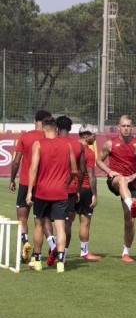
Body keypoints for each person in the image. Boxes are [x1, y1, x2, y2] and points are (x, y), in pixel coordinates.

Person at [26, 114, 78, 272]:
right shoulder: (67, 145)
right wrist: (67, 184)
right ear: (56, 129)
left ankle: (37, 260)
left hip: (42, 191)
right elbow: (75, 170)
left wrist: (29, 191)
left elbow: (33, 169)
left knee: (38, 225)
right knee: (60, 226)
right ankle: (61, 262)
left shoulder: (38, 144)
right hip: (60, 191)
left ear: (43, 129)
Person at [96, 114, 136, 262]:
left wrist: (134, 176)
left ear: (132, 128)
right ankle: (131, 204)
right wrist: (109, 171)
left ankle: (126, 252)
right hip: (115, 180)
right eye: (123, 126)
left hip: (131, 182)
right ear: (119, 127)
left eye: (128, 126)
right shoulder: (110, 144)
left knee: (130, 220)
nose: (126, 129)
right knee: (121, 180)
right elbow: (98, 160)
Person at [7, 109, 51, 264]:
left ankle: (24, 242)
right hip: (43, 184)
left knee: (22, 218)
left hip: (26, 183)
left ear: (35, 121)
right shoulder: (50, 137)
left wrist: (12, 179)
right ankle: (50, 246)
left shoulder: (25, 137)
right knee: (43, 219)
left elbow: (17, 161)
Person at [53, 115, 85, 266]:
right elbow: (82, 171)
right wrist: (78, 189)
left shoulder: (51, 143)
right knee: (67, 223)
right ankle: (63, 254)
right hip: (71, 189)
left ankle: (52, 245)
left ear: (57, 128)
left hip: (52, 187)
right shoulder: (78, 146)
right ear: (71, 129)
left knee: (45, 219)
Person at [77, 125, 102, 261]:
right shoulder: (88, 152)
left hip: (70, 189)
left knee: (66, 222)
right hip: (85, 188)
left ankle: (61, 251)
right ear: (86, 136)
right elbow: (91, 175)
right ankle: (84, 252)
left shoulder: (71, 148)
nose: (95, 137)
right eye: (93, 135)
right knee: (85, 222)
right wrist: (94, 194)